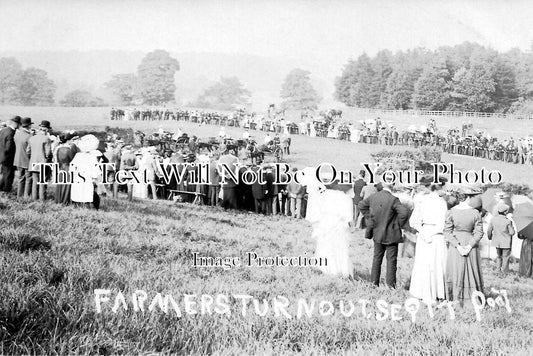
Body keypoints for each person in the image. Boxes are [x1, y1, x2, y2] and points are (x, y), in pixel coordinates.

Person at [359, 181, 408, 288]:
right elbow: (404, 213)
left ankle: (373, 284)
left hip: (377, 232)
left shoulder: (374, 197)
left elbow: (361, 205)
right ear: (393, 185)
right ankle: (390, 287)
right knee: (391, 261)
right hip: (392, 234)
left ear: (382, 184)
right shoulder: (394, 199)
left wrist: (370, 217)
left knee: (376, 259)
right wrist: (398, 224)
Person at [408, 176, 448, 303]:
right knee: (436, 264)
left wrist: (423, 232)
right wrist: (431, 233)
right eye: (442, 186)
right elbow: (442, 224)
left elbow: (413, 222)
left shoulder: (422, 200)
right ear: (437, 187)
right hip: (436, 236)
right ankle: (437, 293)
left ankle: (421, 292)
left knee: (423, 263)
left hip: (424, 234)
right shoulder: (441, 202)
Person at [444, 188, 484, 306]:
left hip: (456, 245)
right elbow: (479, 233)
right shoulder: (475, 213)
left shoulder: (450, 212)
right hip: (470, 244)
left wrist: (458, 246)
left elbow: (447, 232)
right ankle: (472, 298)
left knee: (456, 270)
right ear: (468, 197)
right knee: (471, 270)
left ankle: (455, 298)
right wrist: (469, 246)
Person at [27, 121, 52, 201]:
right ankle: (42, 200)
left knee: (35, 182)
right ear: (46, 130)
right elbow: (48, 153)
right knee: (42, 183)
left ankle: (34, 199)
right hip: (43, 163)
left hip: (33, 162)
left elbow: (28, 151)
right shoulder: (46, 139)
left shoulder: (32, 138)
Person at [487, 203, 515, 274]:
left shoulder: (493, 220)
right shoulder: (508, 221)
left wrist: (489, 237)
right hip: (506, 243)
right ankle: (505, 272)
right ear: (505, 212)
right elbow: (511, 233)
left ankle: (498, 270)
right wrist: (513, 228)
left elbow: (489, 230)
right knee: (505, 257)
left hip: (496, 242)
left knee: (499, 256)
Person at [13, 117, 33, 198]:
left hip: (18, 159)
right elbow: (30, 150)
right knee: (28, 179)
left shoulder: (17, 134)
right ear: (28, 126)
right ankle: (26, 196)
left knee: (20, 178)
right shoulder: (29, 136)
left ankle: (19, 195)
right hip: (26, 160)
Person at [0, 116, 21, 192]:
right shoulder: (11, 133)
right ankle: (7, 190)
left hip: (2, 155)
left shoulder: (3, 130)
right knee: (9, 175)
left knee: (5, 174)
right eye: (19, 124)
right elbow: (9, 147)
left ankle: (1, 188)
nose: (20, 126)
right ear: (16, 124)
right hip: (9, 157)